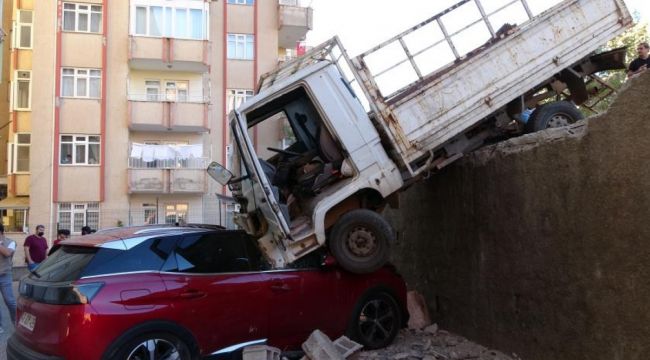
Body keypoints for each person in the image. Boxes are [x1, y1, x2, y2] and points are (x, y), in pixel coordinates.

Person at [0, 224, 16, 333]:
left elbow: (7, 253)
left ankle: (17, 323)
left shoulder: (11, 242)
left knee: (10, 301)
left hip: (5, 276)